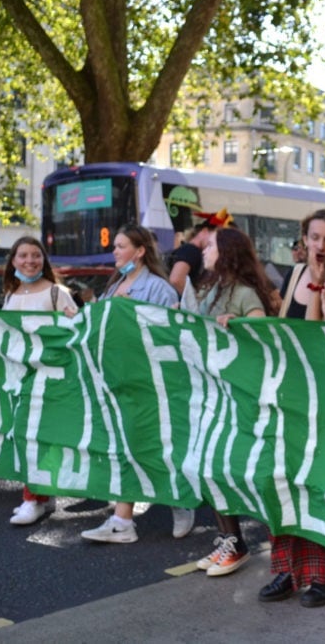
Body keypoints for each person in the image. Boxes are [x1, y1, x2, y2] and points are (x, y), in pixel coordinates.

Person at [258, 209, 325, 607]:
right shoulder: (296, 274)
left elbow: (318, 339)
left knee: (316, 481)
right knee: (280, 477)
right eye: (314, 238)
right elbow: (286, 331)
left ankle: (324, 574)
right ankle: (287, 569)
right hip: (289, 394)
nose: (320, 246)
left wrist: (319, 286)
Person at [80, 225, 187, 543]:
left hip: (150, 382)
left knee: (158, 446)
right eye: (114, 246)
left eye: (121, 245)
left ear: (140, 251)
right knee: (124, 446)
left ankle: (181, 501)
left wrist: (132, 312)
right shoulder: (113, 288)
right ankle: (122, 521)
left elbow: (170, 337)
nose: (114, 251)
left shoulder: (158, 289)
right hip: (118, 379)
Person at [188, 227, 278, 577]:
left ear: (225, 252)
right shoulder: (209, 289)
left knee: (235, 468)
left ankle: (273, 547)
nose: (204, 251)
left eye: (209, 246)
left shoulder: (242, 293)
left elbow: (263, 333)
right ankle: (230, 540)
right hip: (212, 392)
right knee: (209, 466)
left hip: (238, 396)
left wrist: (238, 324)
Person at [0, 237, 79, 523]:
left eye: (36, 255)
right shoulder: (9, 295)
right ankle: (38, 495)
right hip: (19, 378)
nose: (30, 261)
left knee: (38, 435)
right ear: (13, 261)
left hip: (51, 377)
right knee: (25, 435)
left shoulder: (57, 293)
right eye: (23, 256)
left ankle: (34, 497)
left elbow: (75, 331)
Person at [168, 209, 231, 297]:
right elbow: (176, 279)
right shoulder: (191, 250)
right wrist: (195, 302)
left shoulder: (188, 249)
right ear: (205, 231)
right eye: (216, 235)